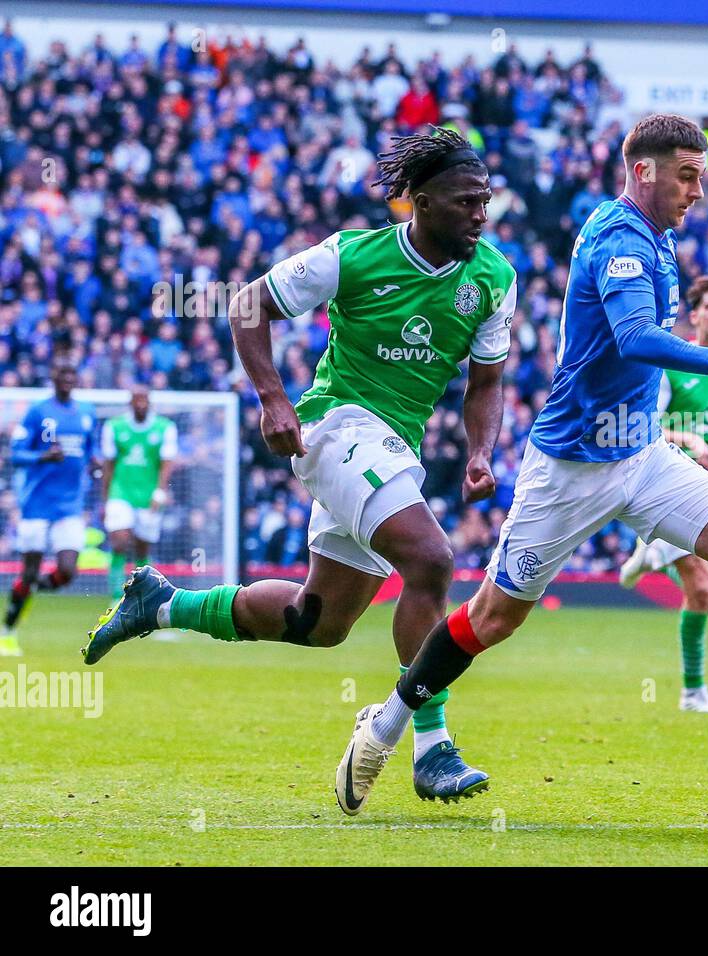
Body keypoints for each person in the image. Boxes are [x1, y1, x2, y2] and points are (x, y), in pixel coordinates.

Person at [337, 113, 708, 816]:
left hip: (641, 453)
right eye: (686, 176)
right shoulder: (618, 237)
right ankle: (383, 726)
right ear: (643, 171)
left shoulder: (659, 237)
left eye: (701, 177)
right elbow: (632, 337)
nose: (697, 191)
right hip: (570, 468)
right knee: (493, 618)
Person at [84, 128, 516, 803]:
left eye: (486, 201)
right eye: (466, 202)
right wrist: (273, 398)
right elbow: (248, 303)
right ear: (422, 203)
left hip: (394, 445)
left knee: (319, 622)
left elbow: (486, 382)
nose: (480, 214)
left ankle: (163, 604)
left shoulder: (493, 276)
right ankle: (431, 748)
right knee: (431, 560)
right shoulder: (351, 256)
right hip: (335, 425)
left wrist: (482, 450)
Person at [618, 276, 708, 713]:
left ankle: (648, 559)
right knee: (699, 589)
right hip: (666, 487)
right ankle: (692, 691)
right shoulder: (673, 363)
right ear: (695, 315)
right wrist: (687, 438)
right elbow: (643, 425)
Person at [2, 364, 97, 656]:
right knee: (29, 569)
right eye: (62, 376)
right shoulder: (37, 412)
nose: (68, 381)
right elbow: (15, 455)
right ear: (54, 379)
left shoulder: (86, 413)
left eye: (72, 376)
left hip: (69, 505)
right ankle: (8, 629)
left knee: (67, 571)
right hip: (36, 505)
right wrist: (43, 457)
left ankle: (27, 588)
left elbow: (90, 452)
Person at [101, 384, 179, 587]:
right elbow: (108, 464)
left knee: (142, 549)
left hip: (148, 495)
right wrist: (106, 498)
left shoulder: (164, 428)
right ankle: (116, 596)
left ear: (150, 402)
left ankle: (143, 593)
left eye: (144, 400)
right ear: (130, 403)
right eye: (137, 400)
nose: (141, 404)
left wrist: (160, 492)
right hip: (121, 492)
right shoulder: (114, 426)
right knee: (119, 542)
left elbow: (166, 464)